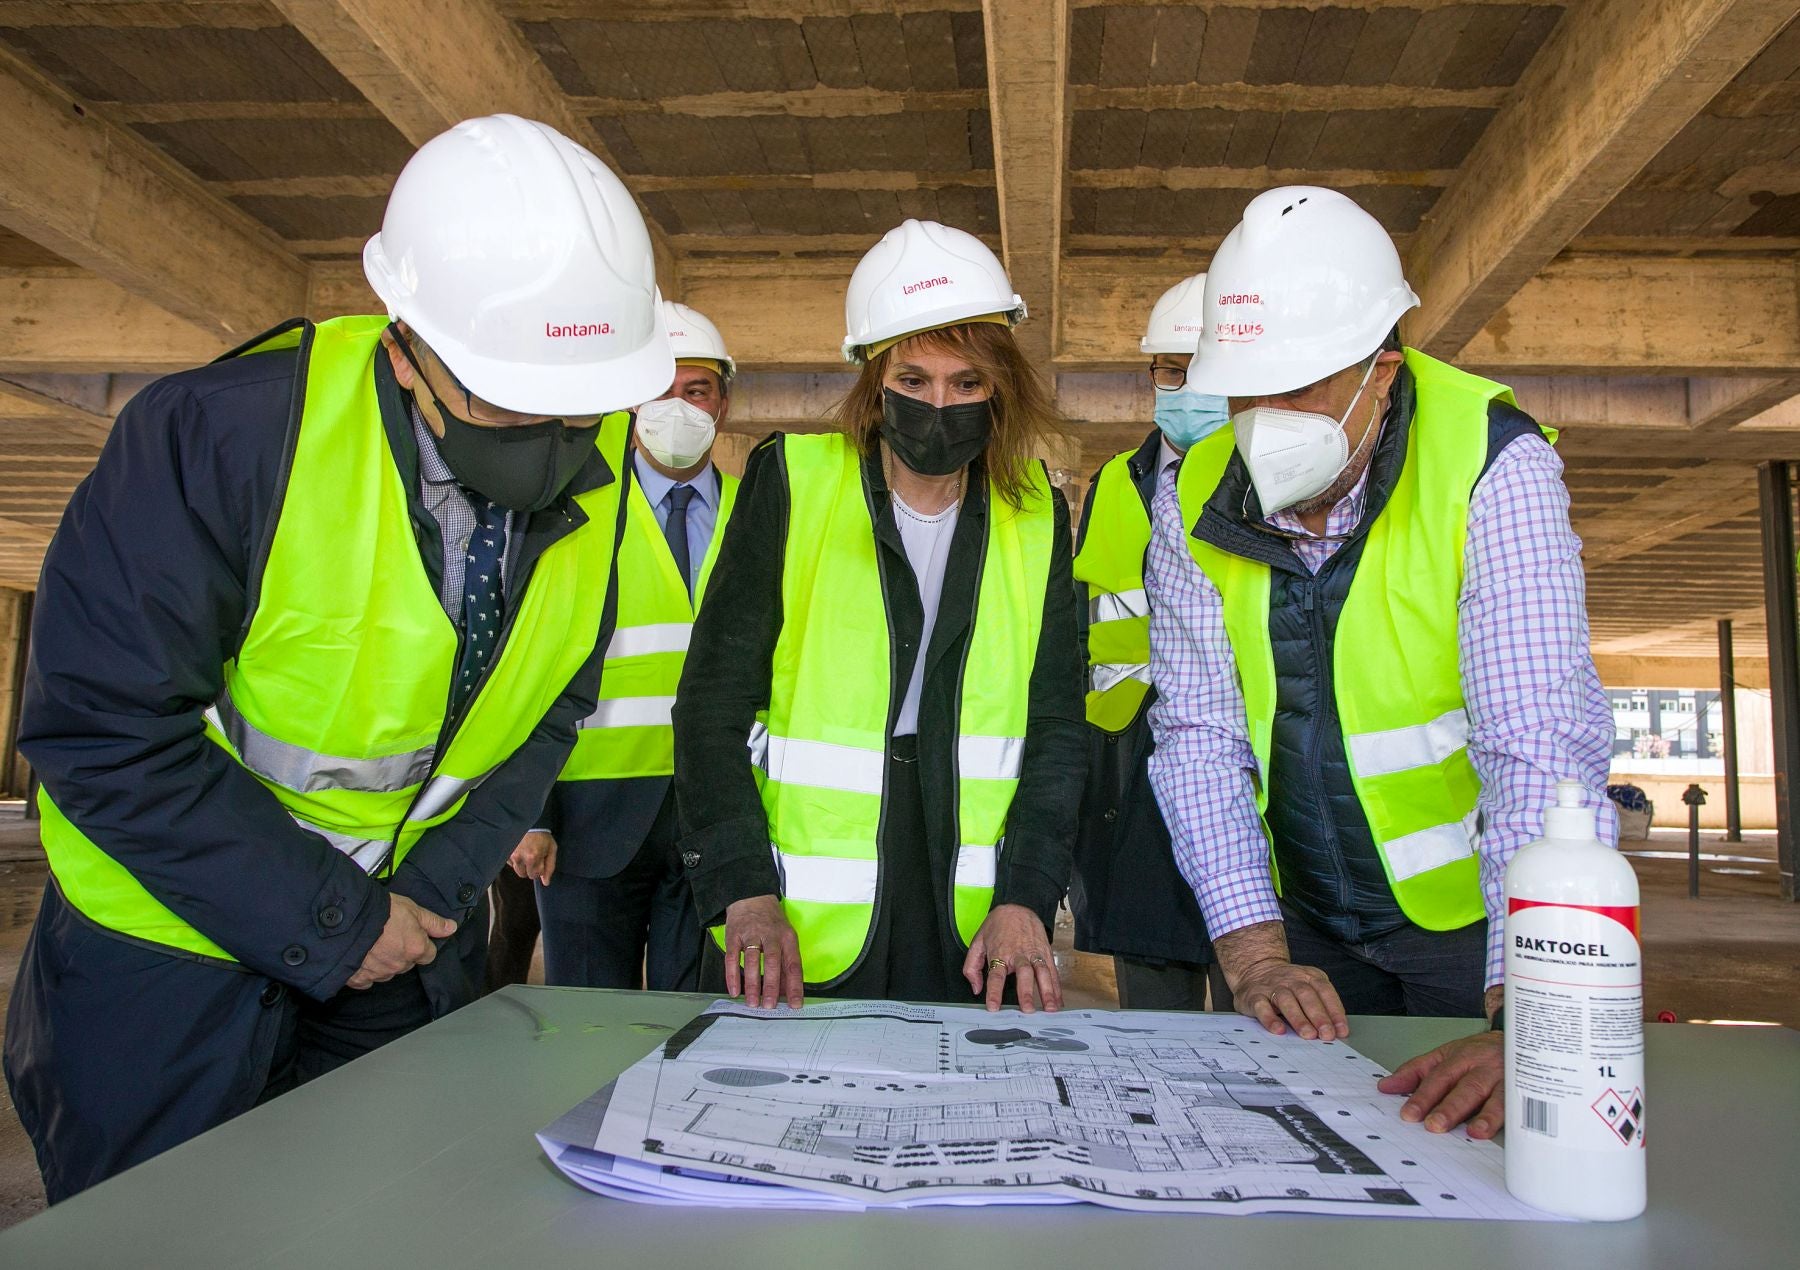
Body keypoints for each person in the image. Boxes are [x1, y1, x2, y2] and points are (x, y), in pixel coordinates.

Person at [3, 113, 671, 1202]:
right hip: (169, 972)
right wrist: (338, 921)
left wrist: (421, 909)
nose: (558, 441)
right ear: (406, 351)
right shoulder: (224, 439)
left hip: (400, 959)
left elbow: (547, 715)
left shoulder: (597, 500)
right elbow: (103, 727)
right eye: (510, 401)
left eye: (584, 406)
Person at [1145, 187, 1616, 1138]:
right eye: (1247, 389)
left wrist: (1526, 1013)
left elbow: (1539, 747)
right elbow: (1199, 736)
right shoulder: (1192, 494)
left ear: (1382, 372)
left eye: (1303, 386)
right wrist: (1255, 956)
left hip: (1477, 933)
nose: (1266, 417)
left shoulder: (1490, 465)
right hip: (1307, 923)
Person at [672, 219, 1085, 1013]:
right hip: (801, 911)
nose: (940, 404)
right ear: (872, 378)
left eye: (967, 383)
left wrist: (1028, 896)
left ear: (999, 386)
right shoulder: (792, 480)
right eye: (914, 381)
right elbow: (710, 706)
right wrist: (741, 892)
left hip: (965, 908)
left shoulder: (1034, 517)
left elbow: (1057, 727)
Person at [513, 302, 739, 991]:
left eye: (695, 390)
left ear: (722, 404)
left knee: (691, 1023)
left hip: (718, 816)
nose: (679, 407)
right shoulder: (574, 517)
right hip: (585, 825)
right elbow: (528, 669)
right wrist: (530, 813)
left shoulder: (757, 515)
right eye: (660, 390)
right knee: (583, 1023)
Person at [1070, 273, 1231, 1013]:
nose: (1188, 385)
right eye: (1173, 369)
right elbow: (1085, 627)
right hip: (1134, 788)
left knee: (1260, 1016)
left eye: (1205, 368)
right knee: (1155, 1031)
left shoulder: (1278, 480)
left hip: (1243, 783)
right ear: (1152, 377)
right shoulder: (1114, 482)